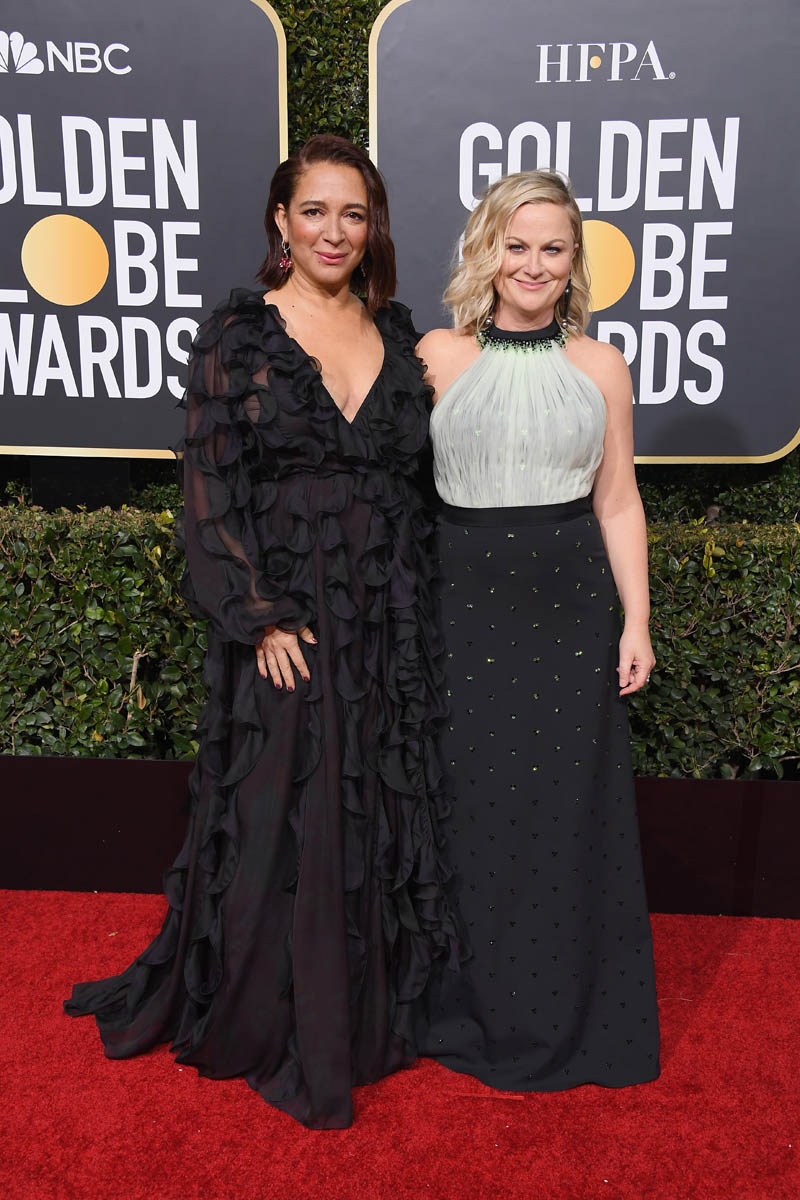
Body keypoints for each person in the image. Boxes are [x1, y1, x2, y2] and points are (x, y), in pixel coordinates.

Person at [65, 135, 463, 1130]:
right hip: (289, 617)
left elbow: (415, 488)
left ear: (372, 228)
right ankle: (276, 1009)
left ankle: (368, 1008)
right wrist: (255, 614)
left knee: (376, 795)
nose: (334, 231)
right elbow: (208, 490)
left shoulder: (396, 332)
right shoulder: (240, 337)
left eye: (353, 214)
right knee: (286, 802)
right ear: (281, 220)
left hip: (383, 614)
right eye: (314, 211)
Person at [416, 170, 660, 1091]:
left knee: (564, 809)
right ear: (487, 250)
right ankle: (469, 1004)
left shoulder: (601, 365)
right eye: (516, 245)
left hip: (569, 608)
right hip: (459, 602)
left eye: (553, 248)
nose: (533, 263)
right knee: (470, 807)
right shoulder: (436, 355)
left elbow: (619, 500)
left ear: (573, 260)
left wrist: (637, 620)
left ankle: (567, 1011)